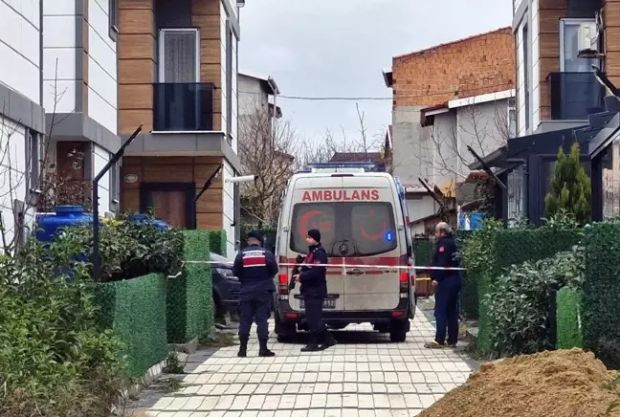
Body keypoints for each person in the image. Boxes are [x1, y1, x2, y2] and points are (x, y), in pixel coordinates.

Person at [232, 230, 278, 357]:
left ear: (248, 241)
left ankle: (242, 349)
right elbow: (274, 270)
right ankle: (263, 349)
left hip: (246, 291)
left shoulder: (241, 255)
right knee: (262, 320)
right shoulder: (266, 254)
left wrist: (245, 280)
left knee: (245, 320)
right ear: (260, 241)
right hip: (263, 292)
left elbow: (235, 272)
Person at [294, 229, 337, 352]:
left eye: (308, 237)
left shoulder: (319, 253)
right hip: (310, 289)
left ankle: (313, 343)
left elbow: (317, 271)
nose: (306, 239)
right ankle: (328, 340)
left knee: (313, 318)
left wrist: (301, 277)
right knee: (313, 317)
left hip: (316, 290)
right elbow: (310, 268)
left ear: (315, 238)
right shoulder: (311, 252)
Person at [425, 222, 461, 349]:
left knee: (440, 310)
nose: (435, 234)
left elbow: (442, 263)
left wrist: (437, 279)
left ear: (442, 232)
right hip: (455, 279)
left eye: (436, 232)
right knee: (451, 311)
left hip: (446, 281)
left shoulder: (444, 244)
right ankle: (452, 340)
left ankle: (439, 339)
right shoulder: (454, 242)